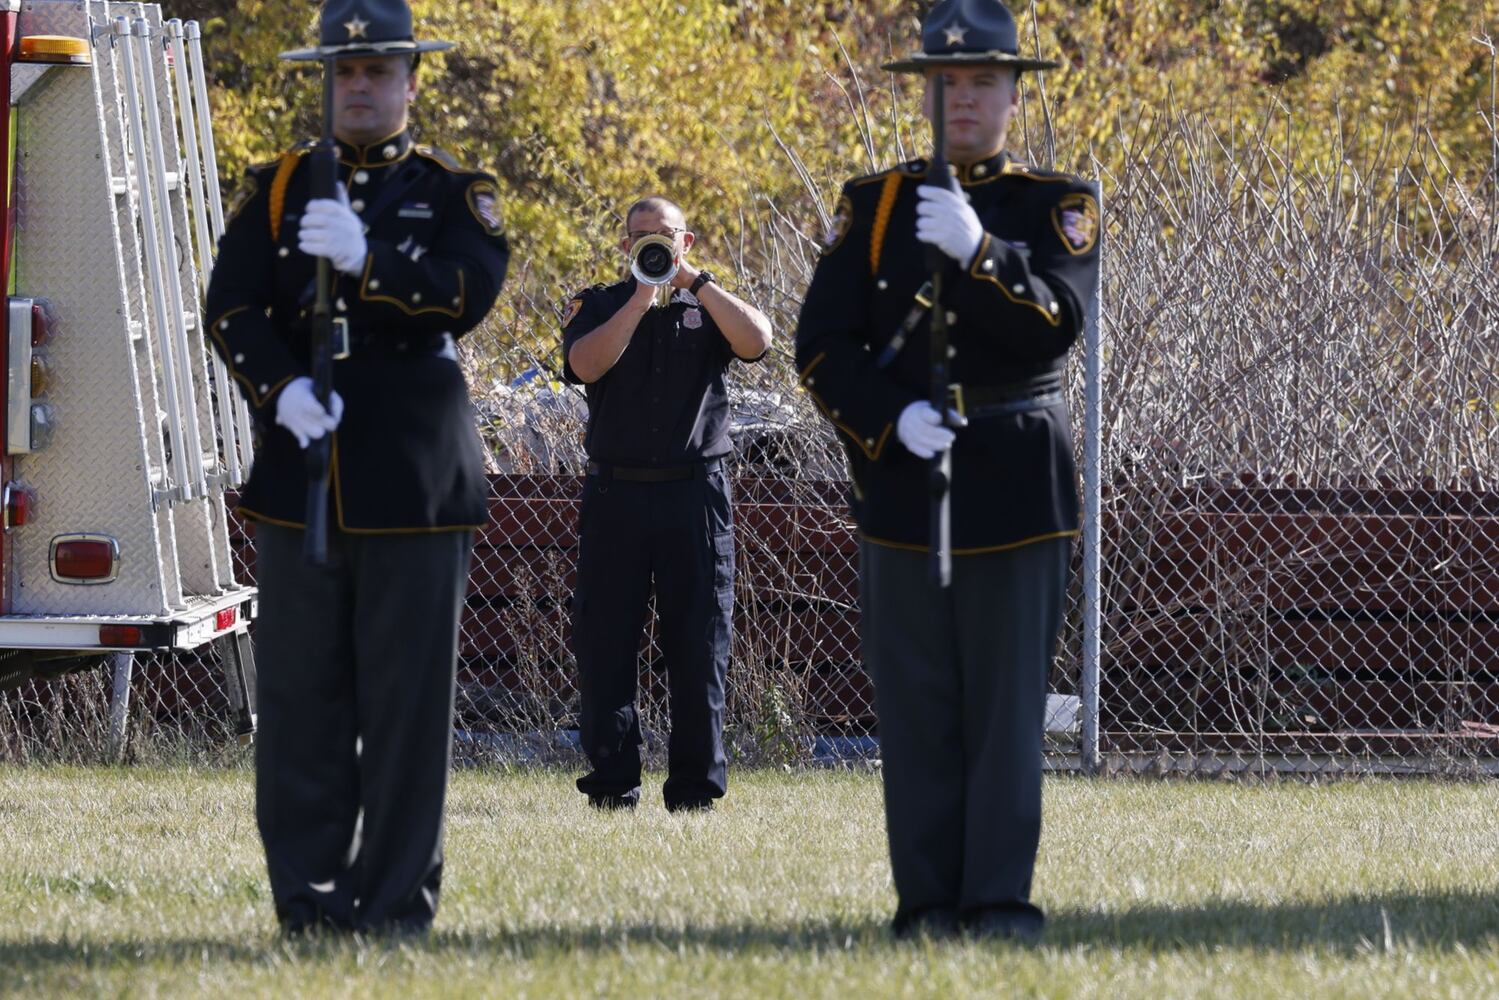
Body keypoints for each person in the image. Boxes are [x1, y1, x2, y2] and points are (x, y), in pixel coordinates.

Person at [794, 0, 1100, 942]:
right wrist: (889, 420)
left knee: (1007, 714)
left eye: (981, 83)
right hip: (905, 481)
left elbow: (1058, 321)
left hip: (1013, 478)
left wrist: (980, 251)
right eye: (947, 83)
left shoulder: (1056, 205)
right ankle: (925, 904)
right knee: (918, 708)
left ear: (1012, 93)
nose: (962, 99)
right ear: (924, 93)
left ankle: (998, 904)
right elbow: (819, 347)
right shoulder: (873, 202)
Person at [203, 0, 508, 936]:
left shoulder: (455, 191)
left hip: (414, 483)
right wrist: (282, 387)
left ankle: (394, 911)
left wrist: (370, 262)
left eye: (379, 70)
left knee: (407, 715)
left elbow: (469, 292)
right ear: (327, 81)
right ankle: (307, 904)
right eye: (346, 71)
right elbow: (231, 306)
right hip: (304, 480)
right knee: (300, 707)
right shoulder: (284, 188)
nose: (362, 86)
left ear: (412, 80)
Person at [561, 196, 772, 812]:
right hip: (615, 494)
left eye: (664, 236)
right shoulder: (599, 303)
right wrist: (640, 297)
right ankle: (612, 786)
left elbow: (758, 342)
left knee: (700, 645)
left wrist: (694, 283)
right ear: (625, 245)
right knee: (606, 643)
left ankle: (695, 793)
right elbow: (584, 364)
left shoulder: (709, 304)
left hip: (695, 494)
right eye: (640, 238)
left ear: (688, 241)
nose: (650, 245)